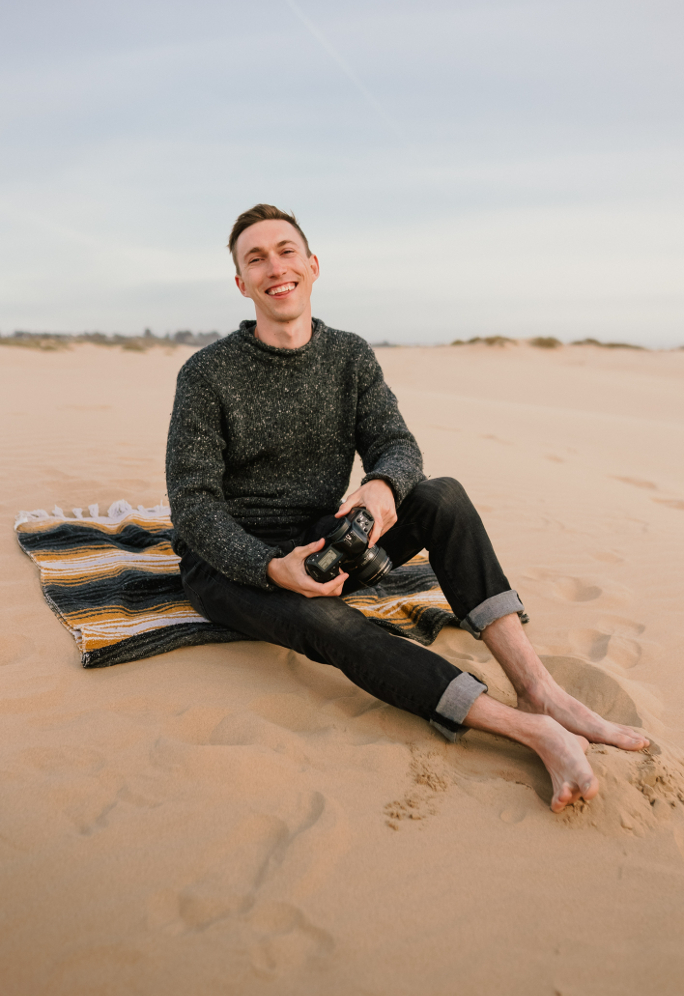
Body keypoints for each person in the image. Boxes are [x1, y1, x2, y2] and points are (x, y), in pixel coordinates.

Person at [166, 203, 648, 813]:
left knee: (442, 494)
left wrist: (382, 487)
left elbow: (396, 443)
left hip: (326, 537)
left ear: (312, 266)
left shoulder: (349, 355)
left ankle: (538, 689)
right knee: (327, 623)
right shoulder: (207, 373)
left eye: (286, 251)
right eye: (255, 259)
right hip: (235, 564)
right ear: (241, 284)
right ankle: (530, 730)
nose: (274, 267)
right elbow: (191, 502)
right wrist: (271, 568)